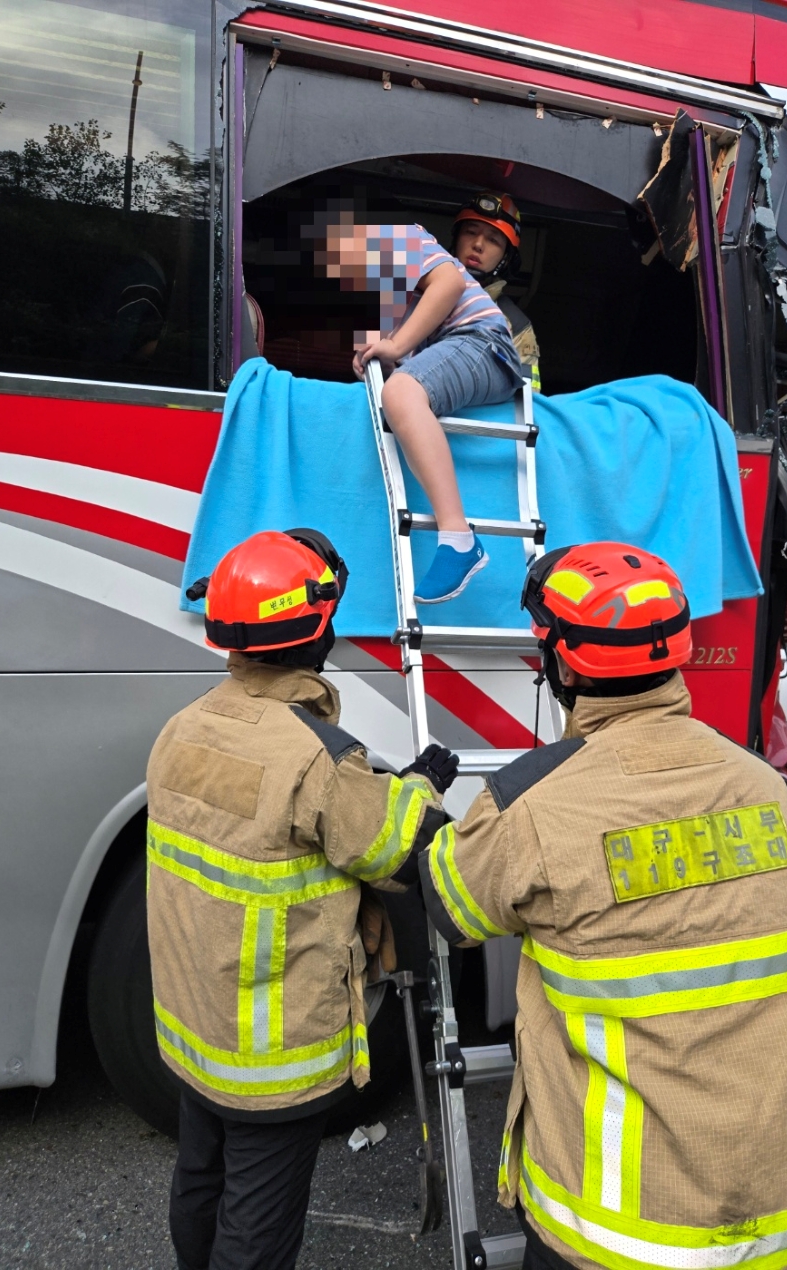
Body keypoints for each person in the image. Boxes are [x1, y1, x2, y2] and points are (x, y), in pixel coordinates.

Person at [418, 542, 787, 1270]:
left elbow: (451, 907)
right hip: (770, 1221)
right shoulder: (765, 789)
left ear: (563, 666)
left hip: (615, 1233)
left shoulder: (535, 803)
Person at [147, 527, 458, 1270]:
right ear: (318, 633)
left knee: (200, 1180)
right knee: (258, 1221)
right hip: (269, 1056)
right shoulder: (316, 757)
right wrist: (419, 784)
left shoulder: (181, 729)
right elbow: (402, 847)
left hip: (192, 1031)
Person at [315, 213, 523, 604]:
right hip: (472, 351)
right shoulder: (393, 295)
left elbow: (450, 282)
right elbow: (418, 357)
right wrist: (384, 359)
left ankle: (459, 539)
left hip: (482, 343)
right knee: (398, 389)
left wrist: (393, 350)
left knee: (401, 393)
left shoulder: (395, 238)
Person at [451, 191, 541, 392]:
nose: (478, 244)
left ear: (506, 257)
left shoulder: (517, 328)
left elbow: (527, 402)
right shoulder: (414, 291)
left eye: (493, 240)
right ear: (456, 237)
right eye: (471, 232)